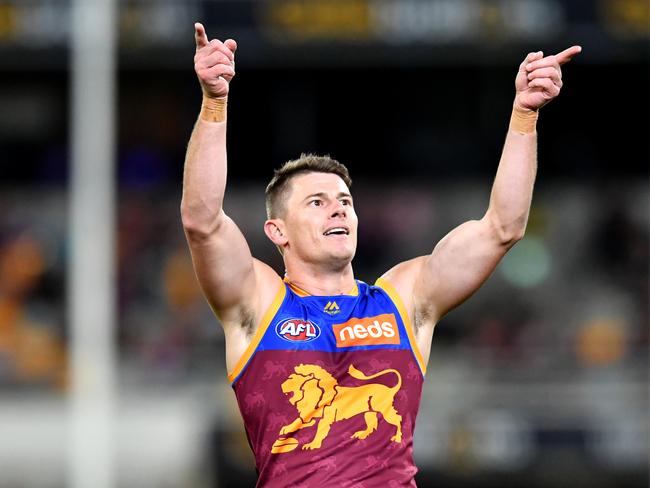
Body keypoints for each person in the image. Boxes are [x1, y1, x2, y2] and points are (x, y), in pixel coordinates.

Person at [182, 21, 581, 487]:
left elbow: (501, 228)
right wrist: (214, 103)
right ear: (278, 231)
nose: (339, 210)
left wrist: (524, 116)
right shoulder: (259, 302)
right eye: (318, 202)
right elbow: (202, 222)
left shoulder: (403, 299)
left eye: (345, 202)